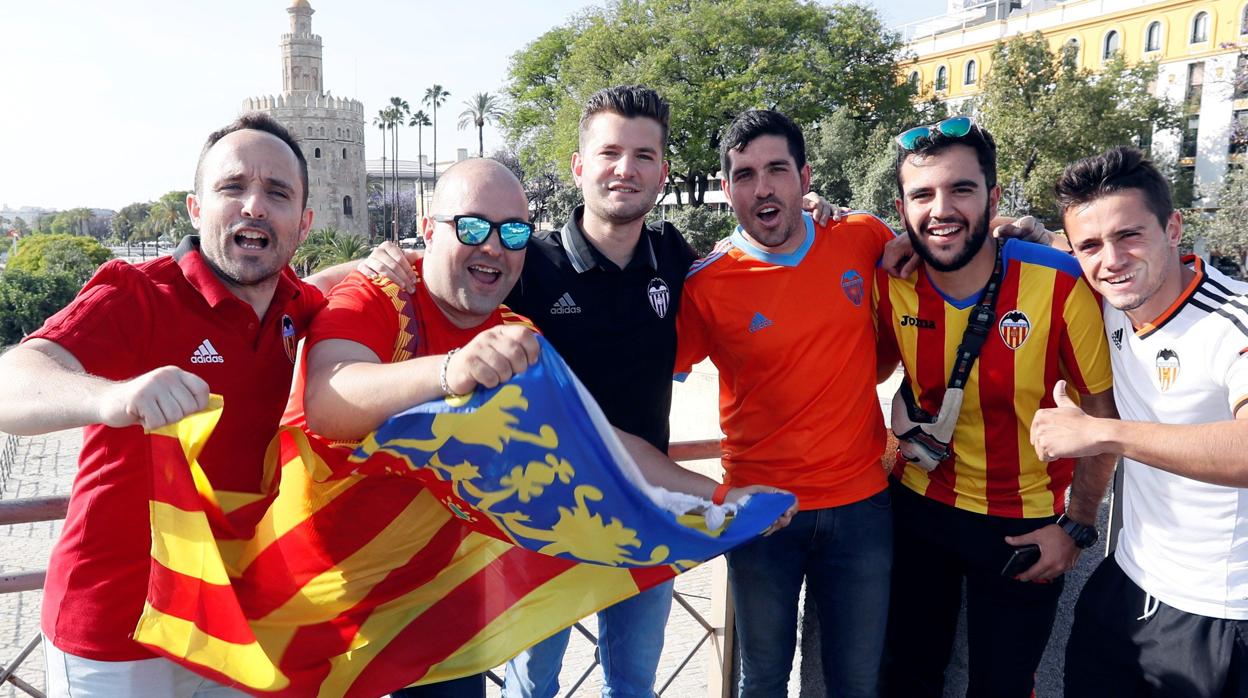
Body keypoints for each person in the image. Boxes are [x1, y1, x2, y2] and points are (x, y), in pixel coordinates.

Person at [289, 157, 794, 698]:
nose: (493, 246)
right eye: (473, 226)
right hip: (323, 605)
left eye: (513, 232)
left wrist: (723, 497)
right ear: (430, 230)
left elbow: (604, 442)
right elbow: (328, 397)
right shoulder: (379, 293)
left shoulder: (517, 336)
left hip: (432, 618)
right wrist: (450, 370)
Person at [0, 113, 409, 696]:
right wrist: (114, 396)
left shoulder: (304, 311)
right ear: (196, 209)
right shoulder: (135, 292)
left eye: (277, 193)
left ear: (304, 222)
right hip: (118, 631)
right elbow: (12, 379)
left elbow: (328, 289)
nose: (253, 206)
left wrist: (376, 268)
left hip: (241, 628)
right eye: (232, 187)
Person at [875, 117, 1116, 698]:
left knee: (1003, 687)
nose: (941, 209)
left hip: (1025, 522)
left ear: (993, 196)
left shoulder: (1061, 283)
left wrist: (1077, 527)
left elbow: (1102, 422)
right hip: (918, 509)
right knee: (905, 678)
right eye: (922, 195)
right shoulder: (890, 278)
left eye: (961, 189)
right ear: (902, 208)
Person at [673, 109, 899, 697]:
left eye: (777, 169)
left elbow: (947, 254)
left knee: (855, 682)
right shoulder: (706, 284)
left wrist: (1020, 232)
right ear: (727, 190)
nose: (763, 187)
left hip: (861, 508)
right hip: (760, 512)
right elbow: (644, 375)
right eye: (745, 175)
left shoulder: (861, 238)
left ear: (805, 176)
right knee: (763, 679)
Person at [1029, 147, 1248, 697]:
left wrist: (1103, 432)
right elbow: (1044, 246)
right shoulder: (1107, 299)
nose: (1111, 260)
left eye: (1130, 235)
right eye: (1090, 245)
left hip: (1223, 614)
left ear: (1173, 227)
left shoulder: (1231, 322)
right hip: (1126, 586)